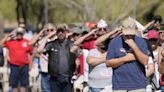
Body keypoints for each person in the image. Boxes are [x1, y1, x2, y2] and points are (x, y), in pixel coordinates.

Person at [106, 18, 149, 92]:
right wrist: (126, 58)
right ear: (122, 30)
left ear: (135, 29)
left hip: (138, 85)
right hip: (119, 85)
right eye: (127, 33)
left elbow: (145, 61)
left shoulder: (141, 41)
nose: (129, 35)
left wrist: (134, 47)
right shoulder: (114, 42)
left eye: (131, 33)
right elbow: (108, 63)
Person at [0, 27, 33, 92]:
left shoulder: (27, 42)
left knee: (23, 84)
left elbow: (31, 53)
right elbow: (1, 43)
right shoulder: (11, 42)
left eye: (20, 33)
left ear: (23, 34)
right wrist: (9, 35)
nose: (19, 35)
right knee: (14, 84)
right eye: (18, 33)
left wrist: (31, 64)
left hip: (24, 66)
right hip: (14, 66)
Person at [29, 23, 56, 92]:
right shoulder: (42, 40)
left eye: (51, 30)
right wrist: (41, 33)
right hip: (44, 70)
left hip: (55, 71)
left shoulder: (57, 40)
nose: (50, 32)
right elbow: (30, 44)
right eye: (47, 30)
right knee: (46, 90)